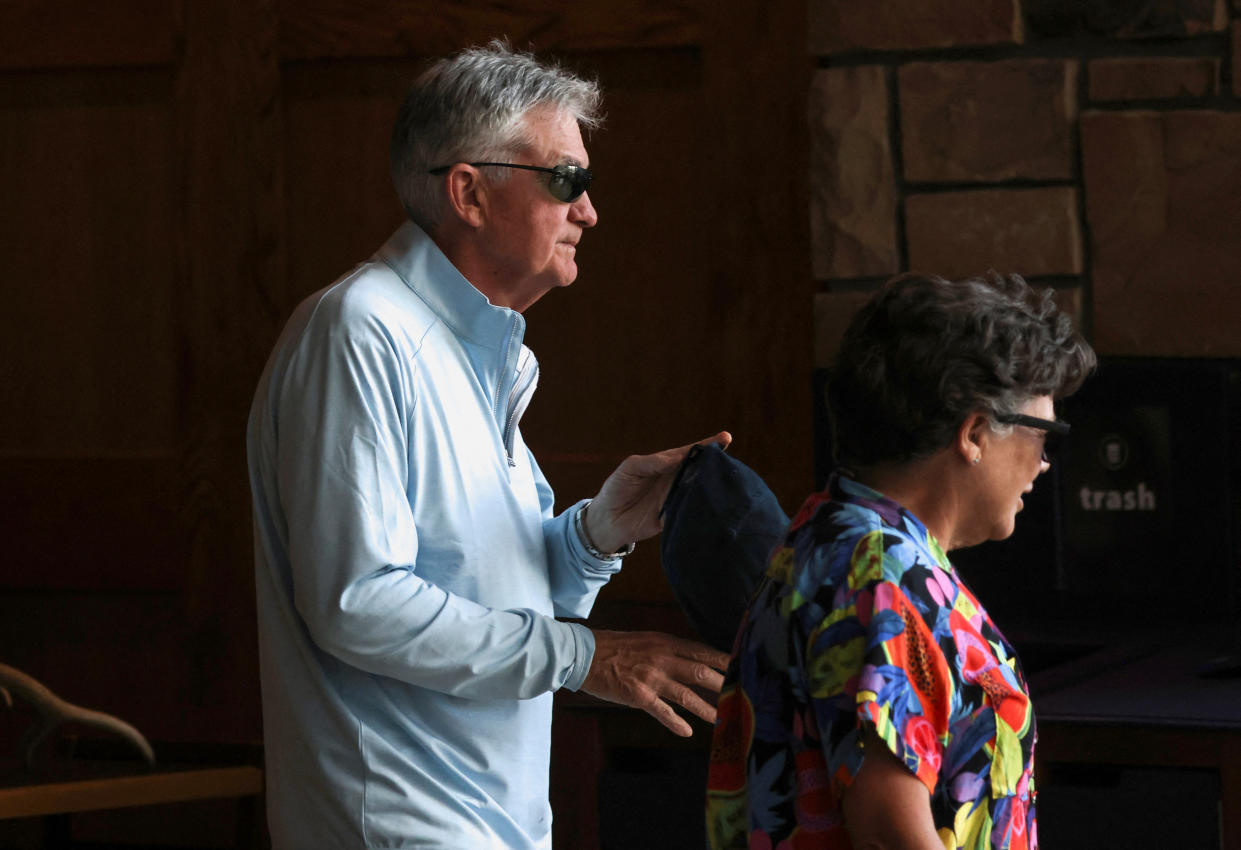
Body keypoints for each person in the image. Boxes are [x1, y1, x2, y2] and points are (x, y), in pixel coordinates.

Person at [247, 41, 730, 849]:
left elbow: (492, 594)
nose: (589, 211)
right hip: (398, 826)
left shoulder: (485, 351)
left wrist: (595, 535)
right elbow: (356, 602)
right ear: (469, 193)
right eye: (565, 181)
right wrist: (587, 657)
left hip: (487, 821)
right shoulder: (361, 329)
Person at [705, 272, 1096, 850]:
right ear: (975, 433)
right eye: (1046, 436)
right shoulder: (881, 577)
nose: (1044, 464)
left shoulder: (837, 536)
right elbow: (891, 835)